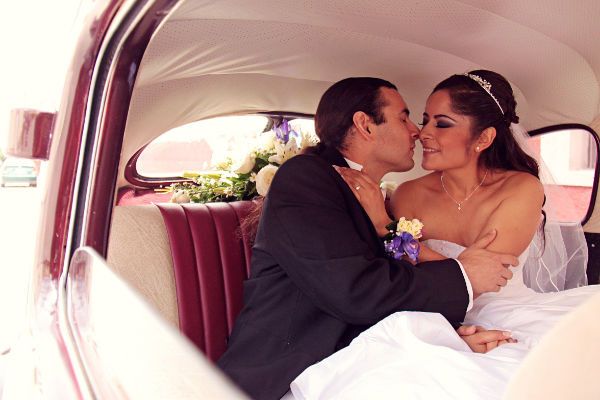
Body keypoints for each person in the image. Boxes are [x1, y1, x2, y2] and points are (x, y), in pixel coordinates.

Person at [293, 70, 596, 399]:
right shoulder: (407, 194)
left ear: (482, 139)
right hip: (433, 314)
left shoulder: (521, 188)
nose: (423, 133)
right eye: (423, 120)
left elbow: (485, 278)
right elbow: (412, 272)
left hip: (508, 310)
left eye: (442, 123)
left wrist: (388, 229)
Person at [217, 77, 519, 400]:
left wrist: (444, 338)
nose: (416, 131)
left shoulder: (374, 197)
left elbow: (374, 298)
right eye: (403, 118)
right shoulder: (306, 178)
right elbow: (355, 290)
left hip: (351, 357)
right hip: (287, 373)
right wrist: (464, 275)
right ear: (365, 125)